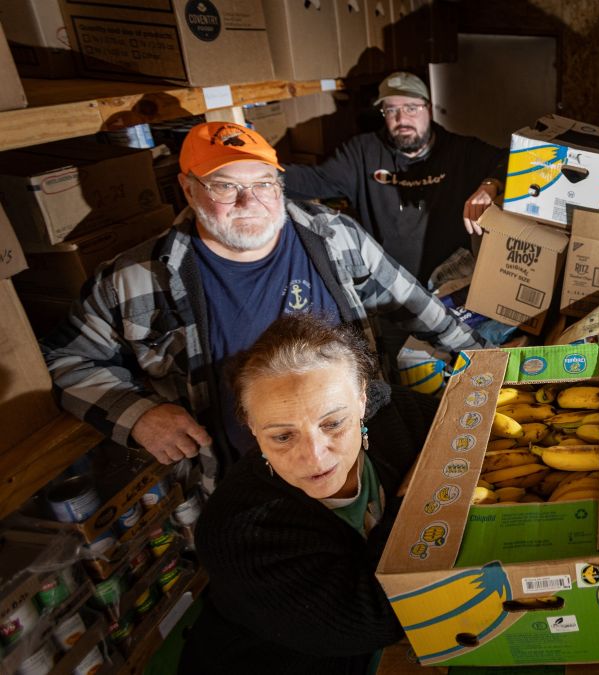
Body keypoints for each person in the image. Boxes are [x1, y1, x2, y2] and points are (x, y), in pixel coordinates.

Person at [41, 122, 484, 492]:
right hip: (243, 481)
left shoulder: (333, 238)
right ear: (188, 190)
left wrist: (488, 360)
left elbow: (415, 304)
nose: (248, 202)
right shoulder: (135, 280)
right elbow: (67, 360)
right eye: (225, 186)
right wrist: (137, 415)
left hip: (357, 457)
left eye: (263, 184)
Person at [180, 313, 424, 674]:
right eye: (282, 436)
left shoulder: (393, 414)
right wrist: (416, 498)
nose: (314, 457)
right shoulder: (236, 531)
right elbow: (379, 618)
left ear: (362, 400)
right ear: (252, 427)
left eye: (333, 423)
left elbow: (463, 429)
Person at [282, 71, 506, 285]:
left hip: (450, 279)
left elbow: (510, 160)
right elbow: (313, 180)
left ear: (428, 109)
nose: (401, 119)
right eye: (391, 110)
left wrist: (491, 185)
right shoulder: (362, 152)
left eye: (411, 108)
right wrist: (261, 173)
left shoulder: (460, 151)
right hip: (389, 285)